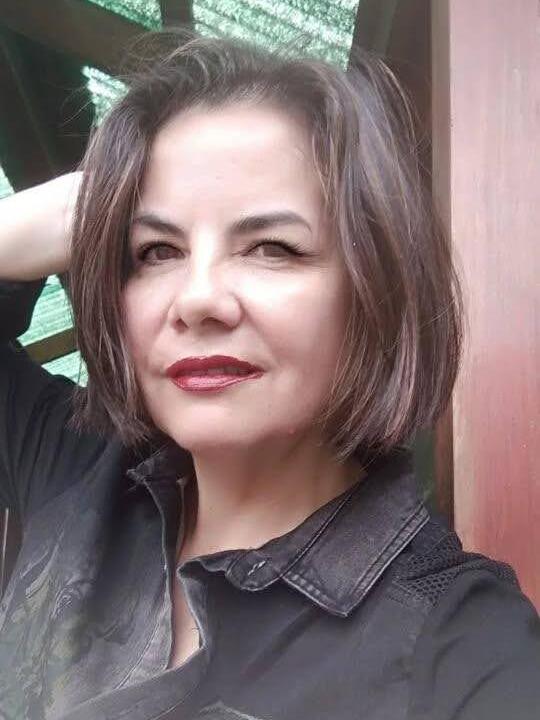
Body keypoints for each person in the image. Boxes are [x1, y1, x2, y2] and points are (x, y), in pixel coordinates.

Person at [0, 33, 539, 720]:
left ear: (376, 288)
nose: (198, 299)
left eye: (271, 248)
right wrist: (50, 215)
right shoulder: (75, 469)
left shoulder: (466, 647)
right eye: (156, 251)